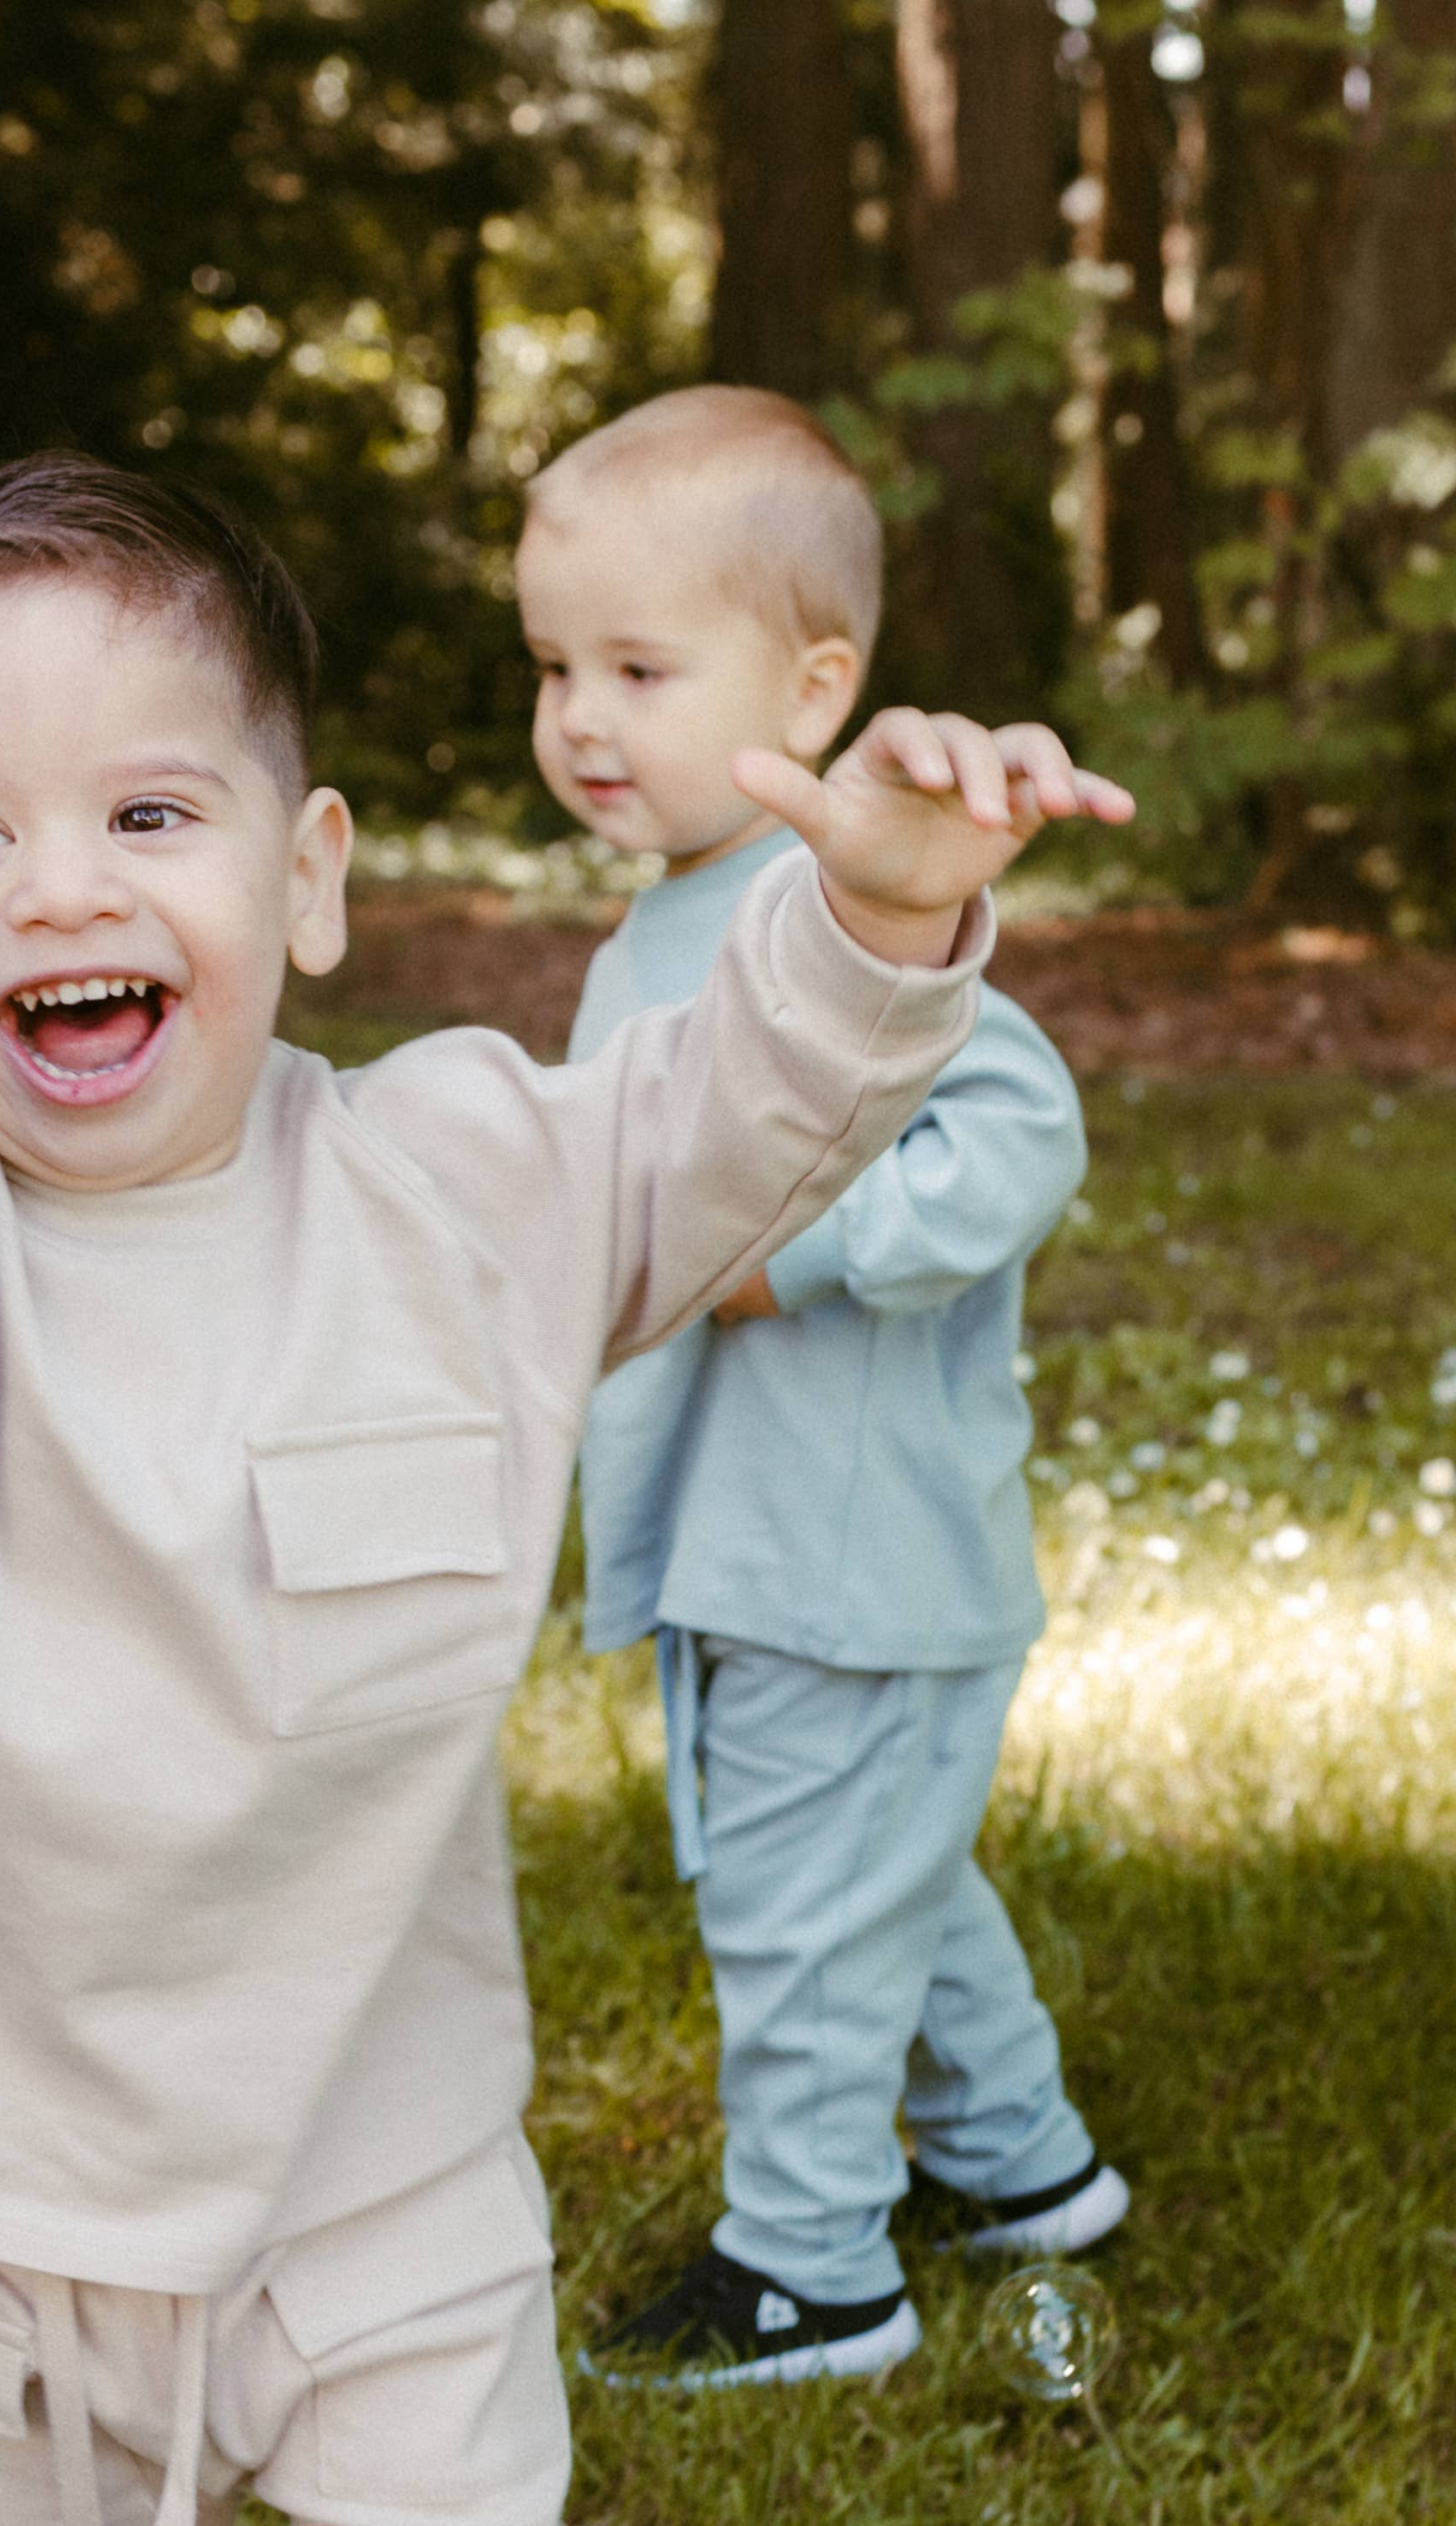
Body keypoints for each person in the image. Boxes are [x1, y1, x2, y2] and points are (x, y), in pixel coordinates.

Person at [0, 452, 1126, 2526]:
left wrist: (880, 909)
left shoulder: (468, 1187)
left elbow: (726, 1113)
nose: (63, 889)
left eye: (151, 814)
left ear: (308, 876)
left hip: (385, 2172)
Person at [525, 388, 1127, 2392]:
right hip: (752, 1534)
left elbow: (1017, 1126)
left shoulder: (834, 910)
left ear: (813, 681)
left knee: (797, 1906)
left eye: (635, 666)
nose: (580, 719)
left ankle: (810, 2270)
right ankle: (1022, 2169)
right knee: (889, 1870)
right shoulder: (670, 918)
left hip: (842, 1548)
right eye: (552, 668)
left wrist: (805, 1256)